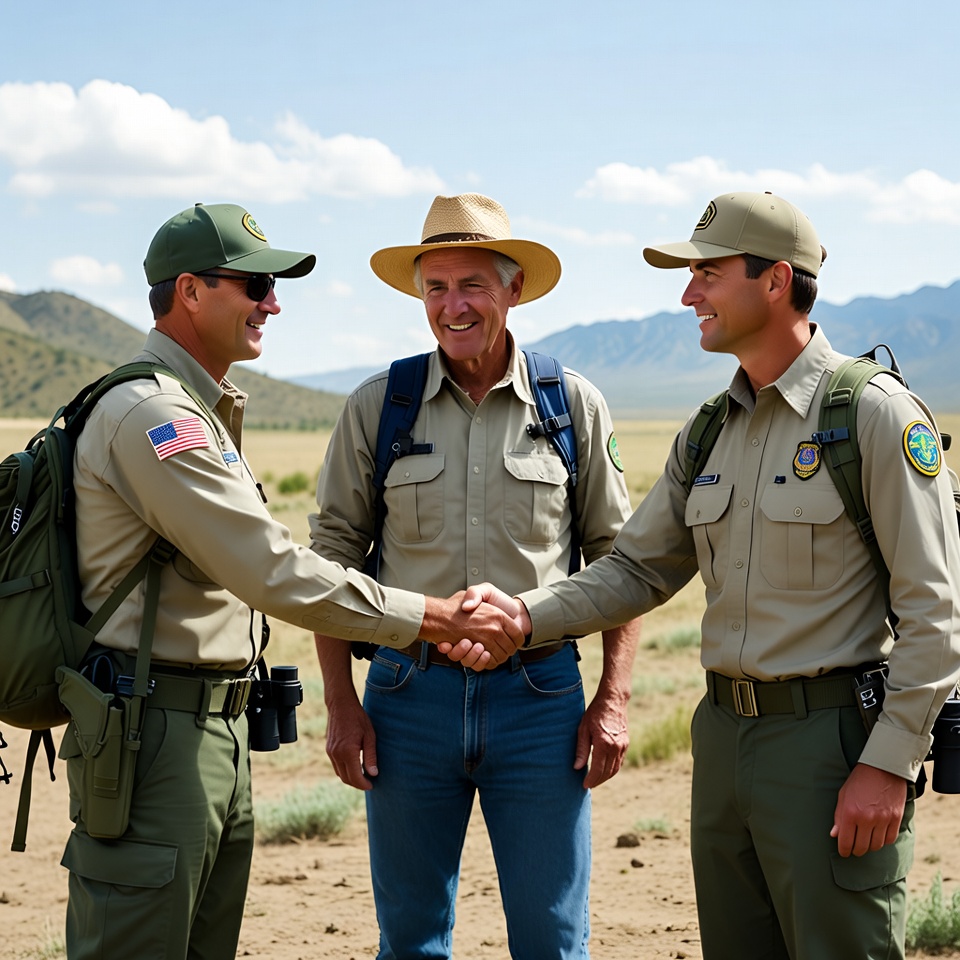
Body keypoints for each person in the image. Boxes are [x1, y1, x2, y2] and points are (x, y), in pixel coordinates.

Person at [465, 192, 960, 959]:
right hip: (723, 740)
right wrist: (525, 615)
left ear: (775, 282)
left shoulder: (872, 417)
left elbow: (936, 613)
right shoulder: (708, 430)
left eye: (708, 273)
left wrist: (888, 764)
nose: (688, 293)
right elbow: (635, 569)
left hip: (830, 746)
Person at [61, 201, 523, 960]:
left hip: (203, 728)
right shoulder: (154, 416)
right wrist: (437, 617)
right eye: (253, 285)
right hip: (153, 734)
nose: (272, 303)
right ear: (190, 292)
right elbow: (276, 573)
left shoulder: (196, 410)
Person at [309, 193, 641, 959]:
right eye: (435, 288)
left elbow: (621, 564)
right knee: (411, 941)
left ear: (514, 288)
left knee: (552, 940)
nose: (451, 306)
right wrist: (340, 703)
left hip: (541, 703)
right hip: (403, 699)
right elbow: (330, 566)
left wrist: (613, 701)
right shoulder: (379, 407)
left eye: (472, 286)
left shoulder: (570, 405)